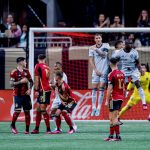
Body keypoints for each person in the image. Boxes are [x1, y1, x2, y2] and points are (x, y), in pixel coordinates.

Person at [112, 41, 147, 109]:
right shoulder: (120, 52)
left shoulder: (134, 52)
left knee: (137, 84)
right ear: (125, 45)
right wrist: (114, 69)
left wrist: (140, 70)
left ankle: (144, 103)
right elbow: (114, 61)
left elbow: (137, 62)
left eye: (131, 44)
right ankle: (116, 101)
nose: (131, 45)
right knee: (120, 85)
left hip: (133, 70)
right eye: (129, 44)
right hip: (124, 70)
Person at [50, 62, 77, 134]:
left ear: (58, 77)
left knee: (64, 112)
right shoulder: (57, 82)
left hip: (70, 100)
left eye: (55, 76)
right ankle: (58, 129)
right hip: (63, 100)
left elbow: (66, 96)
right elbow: (55, 88)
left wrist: (62, 103)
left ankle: (72, 128)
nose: (54, 76)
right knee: (56, 113)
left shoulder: (63, 85)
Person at [10, 57, 33, 134]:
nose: (26, 62)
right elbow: (11, 84)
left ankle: (27, 130)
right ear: (20, 62)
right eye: (24, 61)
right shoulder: (14, 72)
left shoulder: (26, 71)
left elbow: (31, 81)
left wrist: (30, 89)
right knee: (17, 111)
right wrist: (20, 82)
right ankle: (12, 126)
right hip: (18, 95)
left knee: (27, 112)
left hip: (26, 95)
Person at [89, 33, 110, 116]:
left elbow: (104, 55)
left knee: (101, 89)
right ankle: (93, 107)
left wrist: (95, 49)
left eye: (99, 38)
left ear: (101, 39)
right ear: (95, 40)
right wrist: (95, 70)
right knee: (94, 89)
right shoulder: (91, 48)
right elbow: (91, 60)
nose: (98, 39)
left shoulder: (106, 45)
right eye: (96, 38)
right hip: (96, 71)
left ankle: (98, 108)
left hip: (104, 71)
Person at [104, 57, 125, 141]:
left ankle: (118, 136)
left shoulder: (111, 74)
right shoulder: (122, 73)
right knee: (111, 116)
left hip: (113, 98)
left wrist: (106, 100)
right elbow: (123, 87)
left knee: (114, 117)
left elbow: (109, 89)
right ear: (117, 63)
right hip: (120, 97)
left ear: (110, 63)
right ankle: (111, 136)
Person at [31, 54, 51, 134]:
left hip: (43, 90)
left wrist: (36, 89)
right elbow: (47, 79)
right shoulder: (47, 67)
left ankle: (48, 129)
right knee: (38, 109)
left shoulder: (38, 66)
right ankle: (36, 128)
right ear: (45, 59)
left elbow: (36, 78)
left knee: (42, 109)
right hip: (47, 89)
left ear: (38, 59)